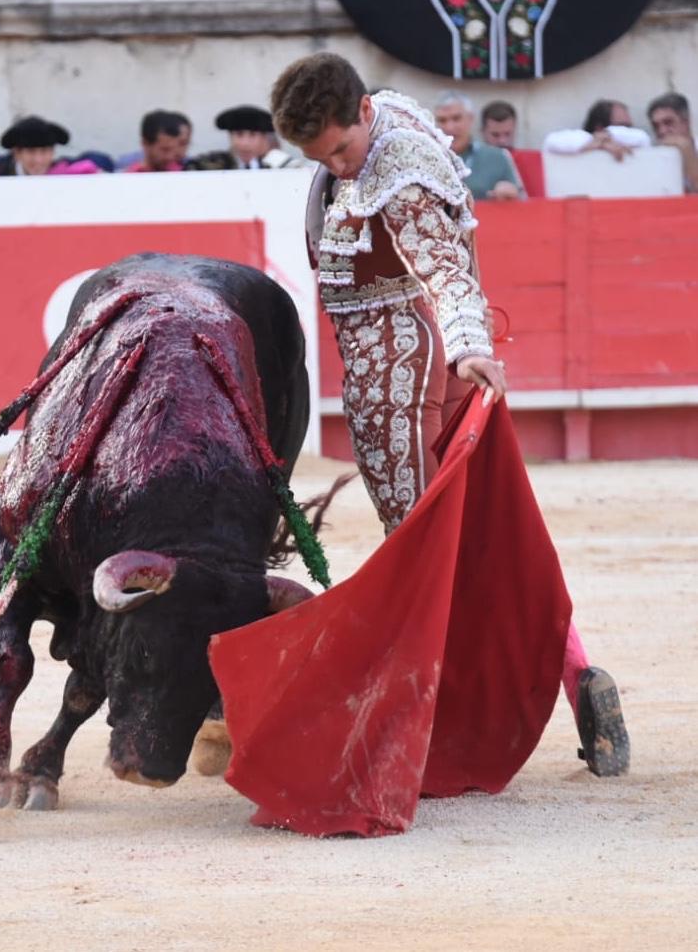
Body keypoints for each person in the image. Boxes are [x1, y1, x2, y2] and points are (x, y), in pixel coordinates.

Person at [269, 52, 628, 779]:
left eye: (341, 148)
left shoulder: (394, 173)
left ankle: (427, 729)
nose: (338, 168)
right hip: (426, 358)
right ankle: (576, 672)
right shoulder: (389, 116)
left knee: (418, 557)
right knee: (485, 537)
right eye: (321, 158)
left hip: (401, 376)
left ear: (363, 112)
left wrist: (470, 346)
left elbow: (445, 268)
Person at [433, 90, 525, 201]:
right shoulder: (424, 158)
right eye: (442, 120)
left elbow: (524, 205)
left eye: (456, 118)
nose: (449, 127)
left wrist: (511, 193)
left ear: (470, 118)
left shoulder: (498, 157)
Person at [185, 105, 302, 171]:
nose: (245, 143)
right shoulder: (210, 164)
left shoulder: (280, 163)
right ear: (230, 137)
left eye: (252, 135)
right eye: (239, 135)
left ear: (264, 138)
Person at [543, 98, 651, 162]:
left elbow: (643, 138)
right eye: (621, 126)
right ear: (599, 128)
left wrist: (609, 136)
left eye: (628, 128)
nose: (627, 132)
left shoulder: (636, 141)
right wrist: (595, 142)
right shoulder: (579, 141)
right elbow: (550, 142)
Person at [647, 91, 698, 191]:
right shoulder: (653, 158)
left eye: (668, 122)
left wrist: (686, 151)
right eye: (656, 126)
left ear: (686, 122)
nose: (662, 131)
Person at [121, 109, 189, 173]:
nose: (170, 156)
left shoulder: (182, 173)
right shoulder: (128, 178)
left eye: (173, 150)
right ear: (145, 144)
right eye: (165, 149)